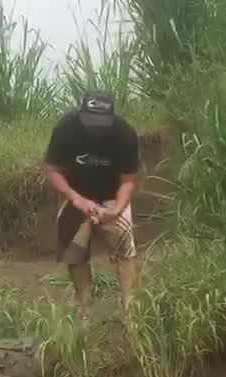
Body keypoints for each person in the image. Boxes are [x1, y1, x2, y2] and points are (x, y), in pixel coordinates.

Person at [41, 90, 142, 315]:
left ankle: (131, 309)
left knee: (125, 250)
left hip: (112, 196)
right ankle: (84, 306)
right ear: (81, 114)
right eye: (91, 122)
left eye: (101, 123)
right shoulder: (66, 129)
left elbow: (129, 180)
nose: (95, 128)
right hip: (75, 196)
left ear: (112, 118)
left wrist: (116, 209)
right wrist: (76, 198)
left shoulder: (125, 134)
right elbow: (53, 170)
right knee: (75, 254)